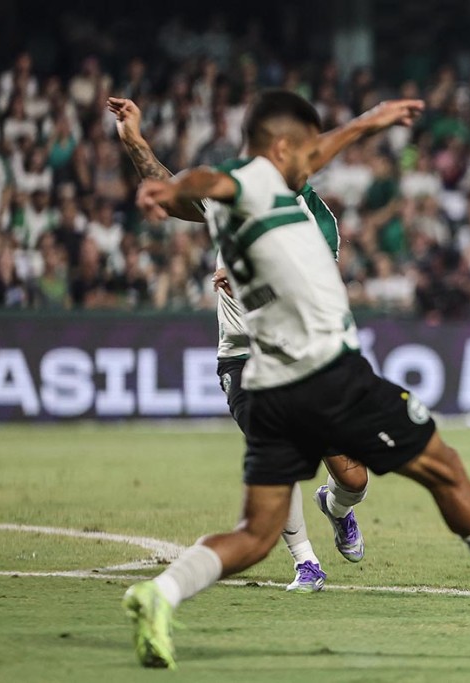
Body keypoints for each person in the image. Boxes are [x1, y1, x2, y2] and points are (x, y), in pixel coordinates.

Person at [123, 90, 470, 669]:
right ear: (280, 148)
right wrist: (180, 183)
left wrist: (148, 160)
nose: (315, 158)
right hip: (324, 372)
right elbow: (209, 179)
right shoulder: (251, 182)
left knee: (255, 534)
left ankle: (162, 593)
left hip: (268, 385)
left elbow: (205, 184)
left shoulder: (241, 199)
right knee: (443, 466)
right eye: (304, 149)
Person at [109, 95, 382, 592]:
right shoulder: (231, 193)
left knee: (354, 478)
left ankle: (336, 507)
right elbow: (170, 193)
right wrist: (135, 140)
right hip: (243, 357)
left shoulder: (317, 221)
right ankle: (306, 562)